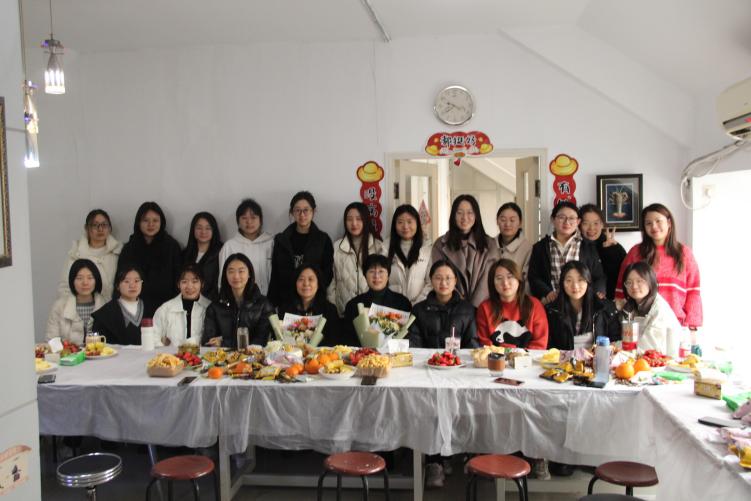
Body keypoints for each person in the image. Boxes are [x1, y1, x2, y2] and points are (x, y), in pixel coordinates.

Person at [615, 203, 702, 333]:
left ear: (669, 223)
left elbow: (693, 291)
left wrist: (693, 326)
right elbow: (622, 288)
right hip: (642, 324)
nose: (654, 226)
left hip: (675, 326)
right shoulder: (635, 253)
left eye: (658, 221)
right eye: (648, 223)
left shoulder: (684, 253)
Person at [528, 201, 606, 305]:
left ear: (578, 221)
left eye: (572, 218)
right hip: (552, 305)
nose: (567, 222)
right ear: (553, 220)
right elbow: (534, 276)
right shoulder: (540, 247)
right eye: (562, 217)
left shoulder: (587, 246)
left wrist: (596, 293)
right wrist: (546, 292)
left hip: (582, 304)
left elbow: (599, 276)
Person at [431, 194, 500, 307]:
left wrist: (474, 307)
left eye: (470, 213)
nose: (465, 217)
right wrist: (461, 305)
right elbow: (439, 275)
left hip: (483, 307)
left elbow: (489, 278)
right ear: (453, 216)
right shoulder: (440, 244)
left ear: (476, 215)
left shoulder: (490, 244)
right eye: (459, 213)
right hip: (451, 306)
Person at [268, 191, 334, 307]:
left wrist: (312, 291)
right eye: (297, 210)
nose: (302, 214)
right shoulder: (281, 240)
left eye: (306, 210)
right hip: (286, 301)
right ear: (292, 212)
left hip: (313, 301)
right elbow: (275, 275)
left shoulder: (323, 239)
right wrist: (272, 304)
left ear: (313, 211)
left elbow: (327, 273)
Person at [117, 202, 182, 317]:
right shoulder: (129, 248)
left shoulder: (172, 247)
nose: (150, 224)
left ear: (162, 222)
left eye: (155, 220)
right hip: (134, 308)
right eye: (145, 220)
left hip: (165, 309)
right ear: (138, 222)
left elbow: (178, 280)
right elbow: (120, 280)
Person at [202, 253, 274, 348]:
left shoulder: (263, 305)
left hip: (252, 356)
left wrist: (224, 343)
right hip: (221, 357)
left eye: (241, 271)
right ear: (225, 275)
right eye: (231, 271)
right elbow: (209, 341)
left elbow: (261, 341)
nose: (236, 276)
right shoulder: (215, 306)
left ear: (249, 274)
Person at [545, 261, 620, 350]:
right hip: (564, 359)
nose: (575, 286)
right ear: (562, 283)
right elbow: (549, 347)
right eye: (569, 280)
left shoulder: (605, 308)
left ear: (588, 281)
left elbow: (616, 342)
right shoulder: (552, 311)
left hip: (598, 358)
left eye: (580, 280)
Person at [476, 259, 548, 349]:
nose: (505, 283)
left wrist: (518, 356)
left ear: (519, 280)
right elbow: (484, 343)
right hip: (495, 357)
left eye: (510, 277)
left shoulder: (534, 305)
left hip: (529, 357)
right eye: (499, 278)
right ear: (492, 283)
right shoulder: (484, 308)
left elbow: (539, 344)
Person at [343, 254, 412, 347]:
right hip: (362, 354)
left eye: (381, 271)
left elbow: (407, 338)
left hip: (393, 354)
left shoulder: (402, 303)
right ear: (365, 275)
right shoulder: (353, 305)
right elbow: (348, 340)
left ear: (388, 275)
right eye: (371, 271)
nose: (376, 276)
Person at [328, 202, 383, 315]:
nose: (354, 223)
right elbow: (331, 283)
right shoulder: (337, 247)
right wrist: (333, 309)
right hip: (344, 312)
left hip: (372, 313)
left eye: (359, 219)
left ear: (366, 220)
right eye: (349, 219)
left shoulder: (378, 246)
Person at [408, 260, 478, 349]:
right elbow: (414, 345)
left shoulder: (468, 310)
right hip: (426, 358)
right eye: (438, 278)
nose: (443, 283)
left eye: (448, 278)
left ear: (455, 281)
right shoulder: (418, 310)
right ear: (431, 280)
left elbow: (472, 345)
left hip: (459, 358)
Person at [57, 209, 122, 300]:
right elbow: (65, 288)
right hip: (85, 306)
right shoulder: (76, 254)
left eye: (104, 225)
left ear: (110, 228)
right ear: (86, 228)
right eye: (95, 225)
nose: (100, 229)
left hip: (114, 306)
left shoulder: (118, 252)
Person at [621, 261, 682, 353]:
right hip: (639, 357)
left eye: (639, 281)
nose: (634, 286)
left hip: (665, 358)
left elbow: (647, 347)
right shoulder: (629, 307)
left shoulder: (659, 309)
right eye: (629, 282)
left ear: (650, 281)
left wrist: (615, 346)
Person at [218, 199, 274, 295]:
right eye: (244, 218)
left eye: (253, 217)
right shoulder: (230, 246)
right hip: (238, 299)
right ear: (238, 221)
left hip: (268, 298)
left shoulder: (271, 243)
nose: (249, 222)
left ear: (260, 220)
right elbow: (222, 279)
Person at [46, 259, 106, 344]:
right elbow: (51, 340)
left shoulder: (105, 306)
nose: (85, 282)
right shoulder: (60, 306)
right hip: (67, 352)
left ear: (96, 280)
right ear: (72, 281)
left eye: (90, 278)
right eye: (79, 278)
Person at [278, 265, 341, 345]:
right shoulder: (285, 309)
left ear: (318, 283)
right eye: (301, 279)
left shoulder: (329, 310)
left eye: (311, 279)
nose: (306, 283)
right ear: (295, 283)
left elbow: (334, 343)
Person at [382, 204, 432, 305]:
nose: (405, 226)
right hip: (393, 307)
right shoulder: (385, 248)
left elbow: (431, 281)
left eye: (409, 222)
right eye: (400, 222)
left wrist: (417, 305)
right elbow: (381, 280)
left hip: (420, 307)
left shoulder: (427, 248)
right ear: (394, 225)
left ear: (417, 223)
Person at [153, 264, 211, 347]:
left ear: (202, 284)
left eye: (194, 281)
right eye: (184, 282)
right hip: (170, 355)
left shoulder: (210, 308)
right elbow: (153, 337)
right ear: (178, 284)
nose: (189, 286)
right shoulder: (165, 309)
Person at [578, 204, 626, 300]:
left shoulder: (614, 246)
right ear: (579, 225)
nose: (591, 228)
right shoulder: (575, 246)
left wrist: (611, 251)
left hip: (611, 301)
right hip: (582, 299)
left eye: (596, 223)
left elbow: (625, 274)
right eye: (586, 223)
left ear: (602, 224)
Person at [91, 266, 145, 345]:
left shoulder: (152, 310)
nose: (132, 285)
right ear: (117, 286)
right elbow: (97, 345)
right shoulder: (105, 314)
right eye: (126, 281)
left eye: (136, 281)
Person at [182, 212, 222, 300]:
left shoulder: (221, 252)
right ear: (193, 230)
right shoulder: (184, 254)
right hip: (186, 301)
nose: (203, 232)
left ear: (214, 230)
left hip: (210, 302)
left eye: (208, 228)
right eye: (199, 228)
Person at [496, 202, 532, 280]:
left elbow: (527, 281)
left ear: (520, 223)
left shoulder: (528, 249)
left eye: (512, 220)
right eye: (503, 220)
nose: (507, 224)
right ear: (497, 221)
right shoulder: (489, 245)